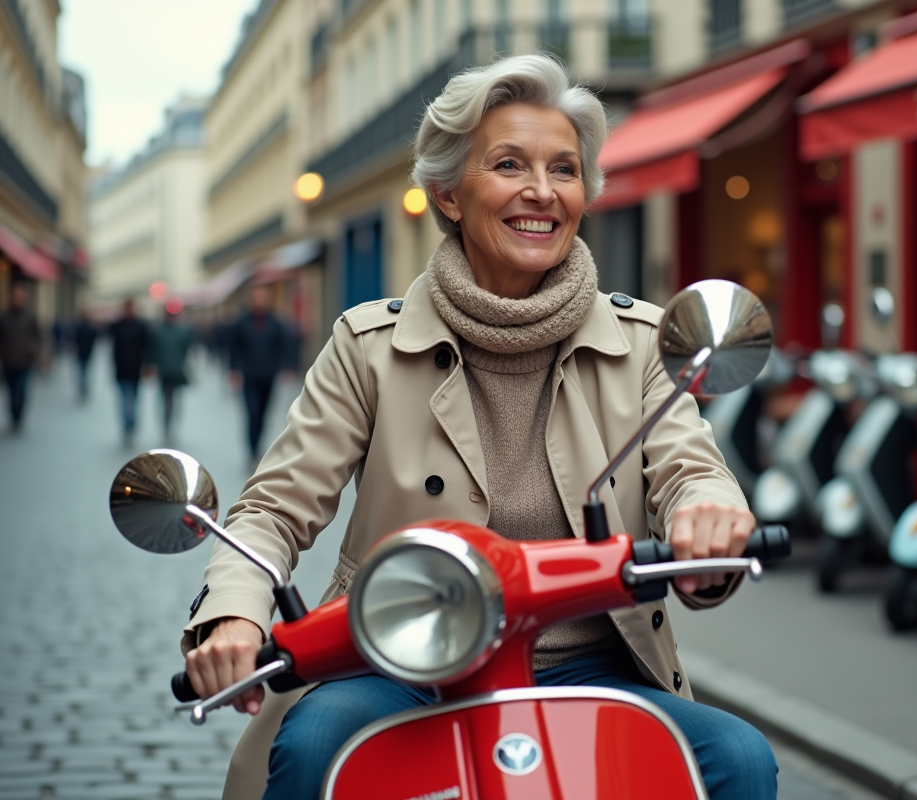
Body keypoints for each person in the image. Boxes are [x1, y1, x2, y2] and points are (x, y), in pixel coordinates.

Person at [182, 55, 776, 800]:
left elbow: (690, 468)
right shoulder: (369, 345)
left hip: (591, 662)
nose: (541, 191)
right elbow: (273, 507)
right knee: (313, 750)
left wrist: (706, 518)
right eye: (508, 164)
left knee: (739, 760)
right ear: (449, 194)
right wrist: (234, 611)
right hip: (397, 660)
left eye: (564, 170)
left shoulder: (642, 342)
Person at [227, 285, 289, 463]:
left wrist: (288, 365)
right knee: (252, 412)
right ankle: (252, 449)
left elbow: (284, 345)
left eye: (263, 297)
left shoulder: (275, 322)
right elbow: (234, 348)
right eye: (257, 297)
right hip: (249, 375)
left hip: (269, 374)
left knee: (263, 413)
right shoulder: (242, 322)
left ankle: (259, 443)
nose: (260, 300)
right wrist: (233, 371)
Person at [0, 282, 41, 432]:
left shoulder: (30, 317)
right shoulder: (4, 317)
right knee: (11, 393)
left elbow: (38, 337)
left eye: (21, 296)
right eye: (16, 296)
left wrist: (33, 350)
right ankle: (13, 416)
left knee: (21, 393)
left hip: (25, 362)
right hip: (9, 362)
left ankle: (19, 418)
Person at [109, 299, 150, 446]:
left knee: (133, 399)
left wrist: (146, 366)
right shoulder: (117, 325)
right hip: (121, 368)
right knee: (125, 399)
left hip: (135, 369)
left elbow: (146, 346)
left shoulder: (140, 326)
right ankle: (127, 426)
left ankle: (131, 424)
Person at [149, 306, 193, 441]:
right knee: (172, 398)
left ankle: (168, 423)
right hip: (173, 370)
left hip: (166, 370)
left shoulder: (158, 331)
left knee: (167, 398)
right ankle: (170, 422)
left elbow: (152, 351)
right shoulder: (182, 331)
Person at [72, 311, 99, 401]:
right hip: (88, 353)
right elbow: (94, 339)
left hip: (81, 353)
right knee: (85, 371)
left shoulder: (78, 328)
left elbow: (75, 340)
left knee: (81, 371)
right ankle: (84, 387)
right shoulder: (91, 328)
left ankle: (82, 387)